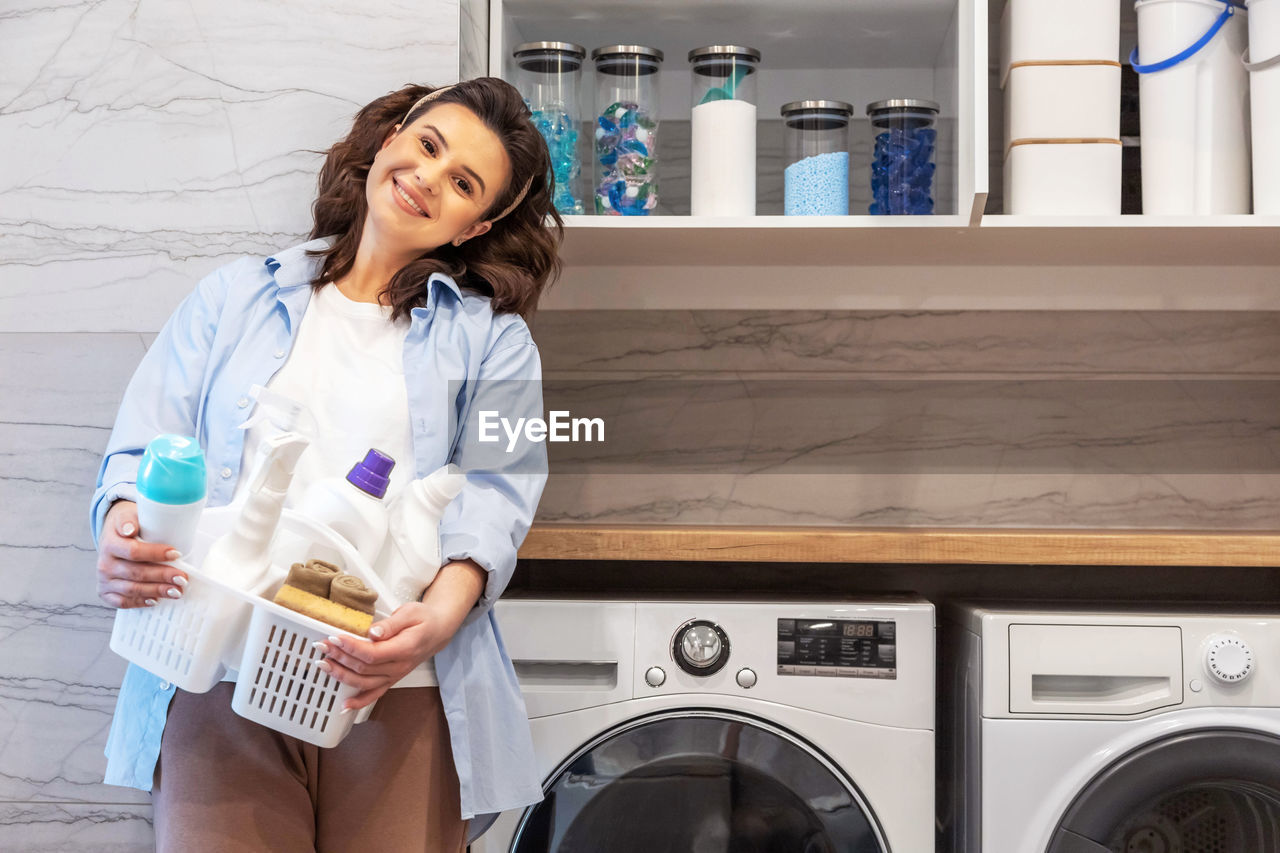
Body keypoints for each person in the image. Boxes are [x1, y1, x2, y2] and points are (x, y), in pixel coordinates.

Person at [91, 78, 562, 852]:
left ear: (476, 222)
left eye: (462, 183)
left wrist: (435, 621)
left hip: (391, 686)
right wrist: (124, 531)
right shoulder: (234, 298)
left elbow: (496, 492)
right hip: (219, 670)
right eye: (428, 147)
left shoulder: (493, 342)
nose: (427, 179)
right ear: (389, 142)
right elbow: (143, 447)